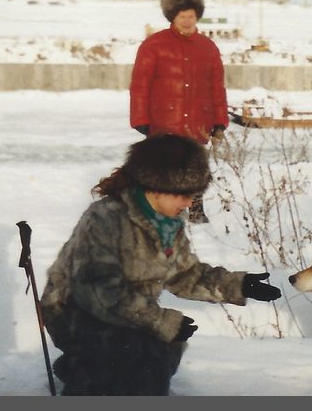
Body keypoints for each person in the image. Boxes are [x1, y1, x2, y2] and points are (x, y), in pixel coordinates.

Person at [39, 134, 282, 395]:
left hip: (128, 311)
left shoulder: (166, 223)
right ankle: (86, 372)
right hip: (76, 313)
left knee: (155, 353)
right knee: (135, 354)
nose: (189, 203)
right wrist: (160, 322)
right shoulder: (106, 218)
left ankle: (84, 368)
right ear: (157, 188)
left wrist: (238, 285)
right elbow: (98, 291)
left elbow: (185, 274)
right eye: (184, 195)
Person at [129, 0, 229, 222]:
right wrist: (140, 119)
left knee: (195, 169)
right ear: (172, 17)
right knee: (163, 171)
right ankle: (158, 212)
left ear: (198, 16)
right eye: (182, 16)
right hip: (163, 120)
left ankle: (195, 211)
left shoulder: (208, 48)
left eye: (191, 16)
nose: (187, 20)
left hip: (198, 120)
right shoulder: (153, 45)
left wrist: (220, 121)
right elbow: (140, 85)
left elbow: (217, 86)